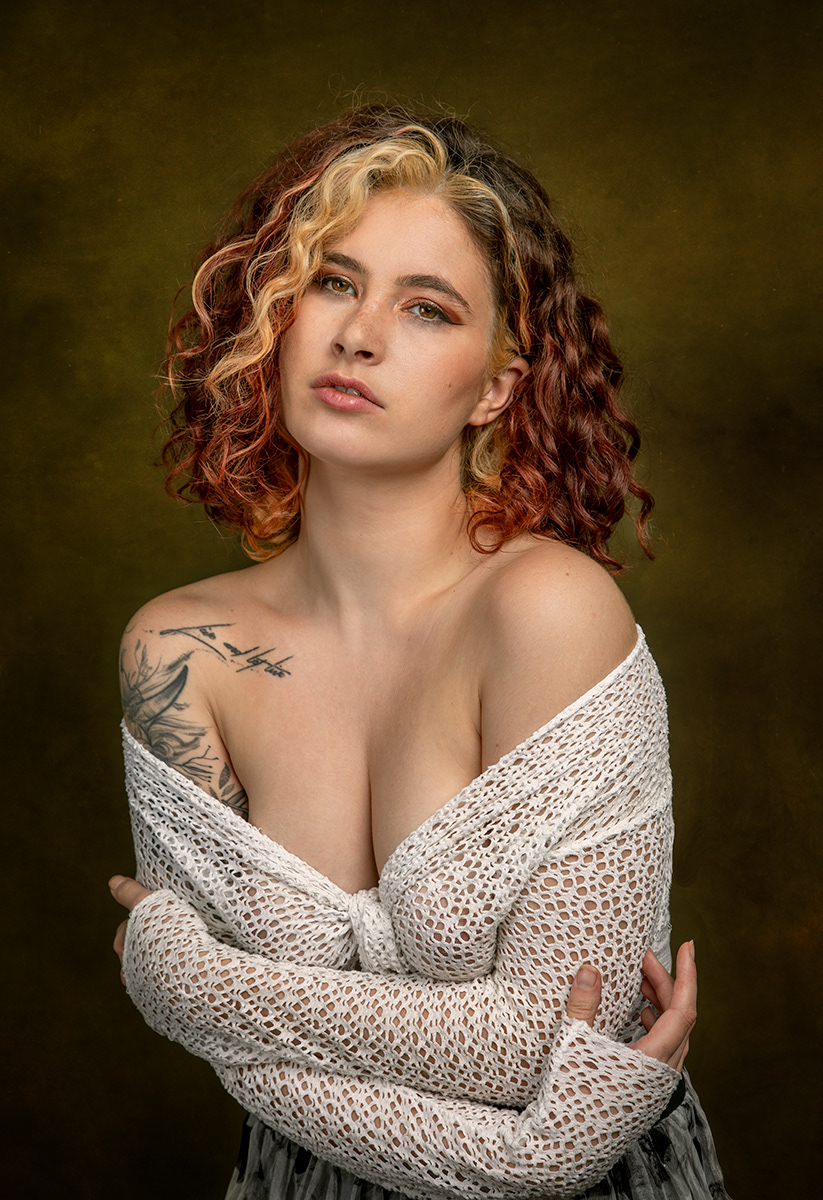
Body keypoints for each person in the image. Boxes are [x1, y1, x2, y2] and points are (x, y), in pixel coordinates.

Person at [109, 105, 728, 1199]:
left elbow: (541, 1040)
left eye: (427, 308)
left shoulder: (544, 611)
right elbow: (246, 1064)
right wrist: (524, 1147)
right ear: (275, 316)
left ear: (495, 384)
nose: (359, 336)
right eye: (332, 283)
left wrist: (190, 986)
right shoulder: (177, 653)